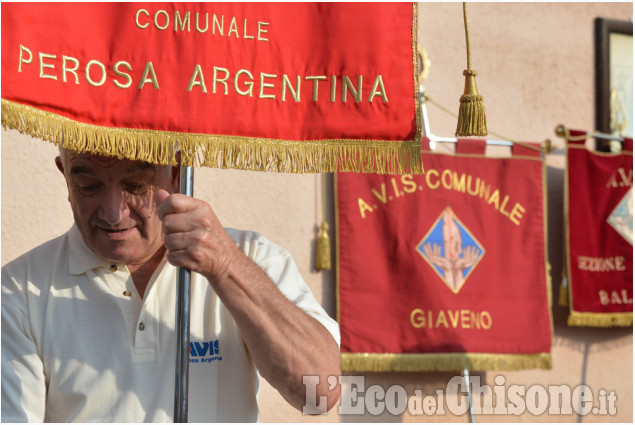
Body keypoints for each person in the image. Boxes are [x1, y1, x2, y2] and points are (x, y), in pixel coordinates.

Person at [1, 148, 341, 422]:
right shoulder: (19, 290)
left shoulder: (250, 257)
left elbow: (318, 394)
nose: (112, 213)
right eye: (88, 185)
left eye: (135, 183)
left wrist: (226, 267)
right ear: (64, 175)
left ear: (175, 173)